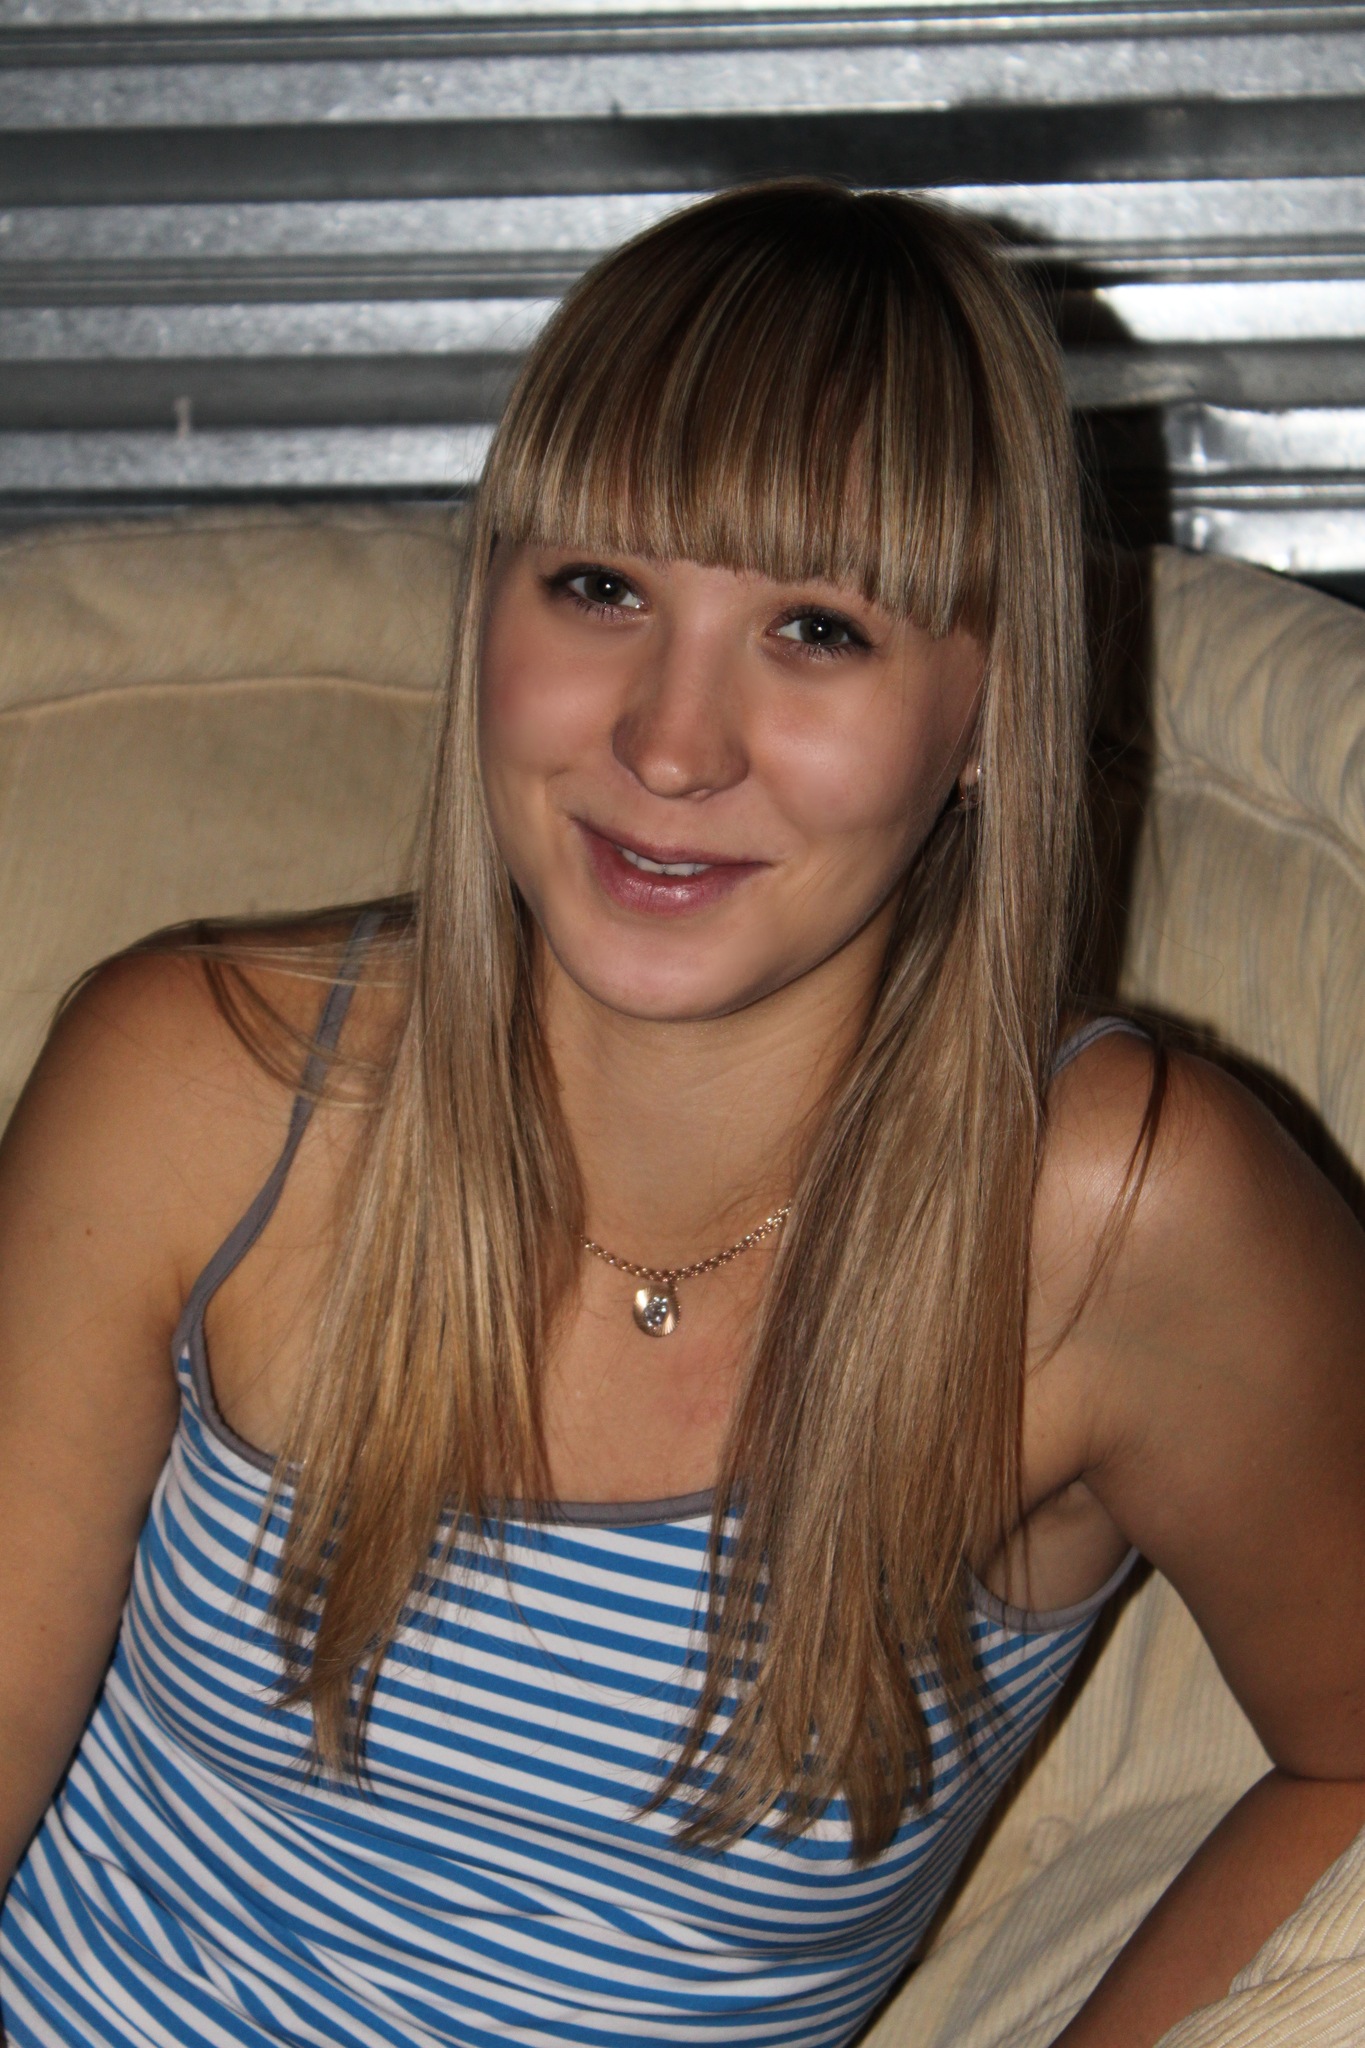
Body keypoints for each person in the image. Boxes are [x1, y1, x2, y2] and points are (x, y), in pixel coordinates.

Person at [0, 180, 1362, 2048]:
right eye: (601, 589)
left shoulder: (1114, 1219)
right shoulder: (205, 1083)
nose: (667, 742)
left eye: (815, 628)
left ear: (988, 711)